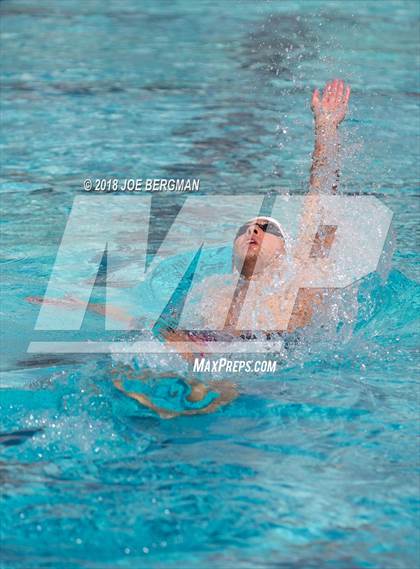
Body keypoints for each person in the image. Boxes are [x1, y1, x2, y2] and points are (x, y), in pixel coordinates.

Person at [27, 79, 351, 417]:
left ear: (285, 250)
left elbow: (322, 198)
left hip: (263, 358)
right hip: (198, 351)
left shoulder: (299, 276)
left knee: (206, 384)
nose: (253, 229)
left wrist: (325, 130)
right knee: (119, 371)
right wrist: (84, 305)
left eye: (265, 228)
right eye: (245, 229)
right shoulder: (213, 288)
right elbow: (149, 321)